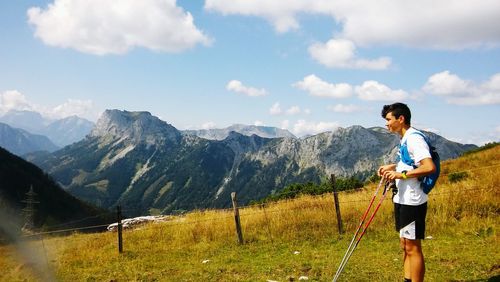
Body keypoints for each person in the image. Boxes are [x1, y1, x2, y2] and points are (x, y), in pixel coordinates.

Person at [377, 102, 436, 282]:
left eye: (389, 119)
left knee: (412, 247)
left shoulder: (414, 138)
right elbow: (410, 163)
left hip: (413, 200)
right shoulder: (404, 139)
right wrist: (392, 167)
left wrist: (400, 175)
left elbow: (428, 166)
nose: (386, 124)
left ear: (400, 119)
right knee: (405, 245)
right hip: (402, 198)